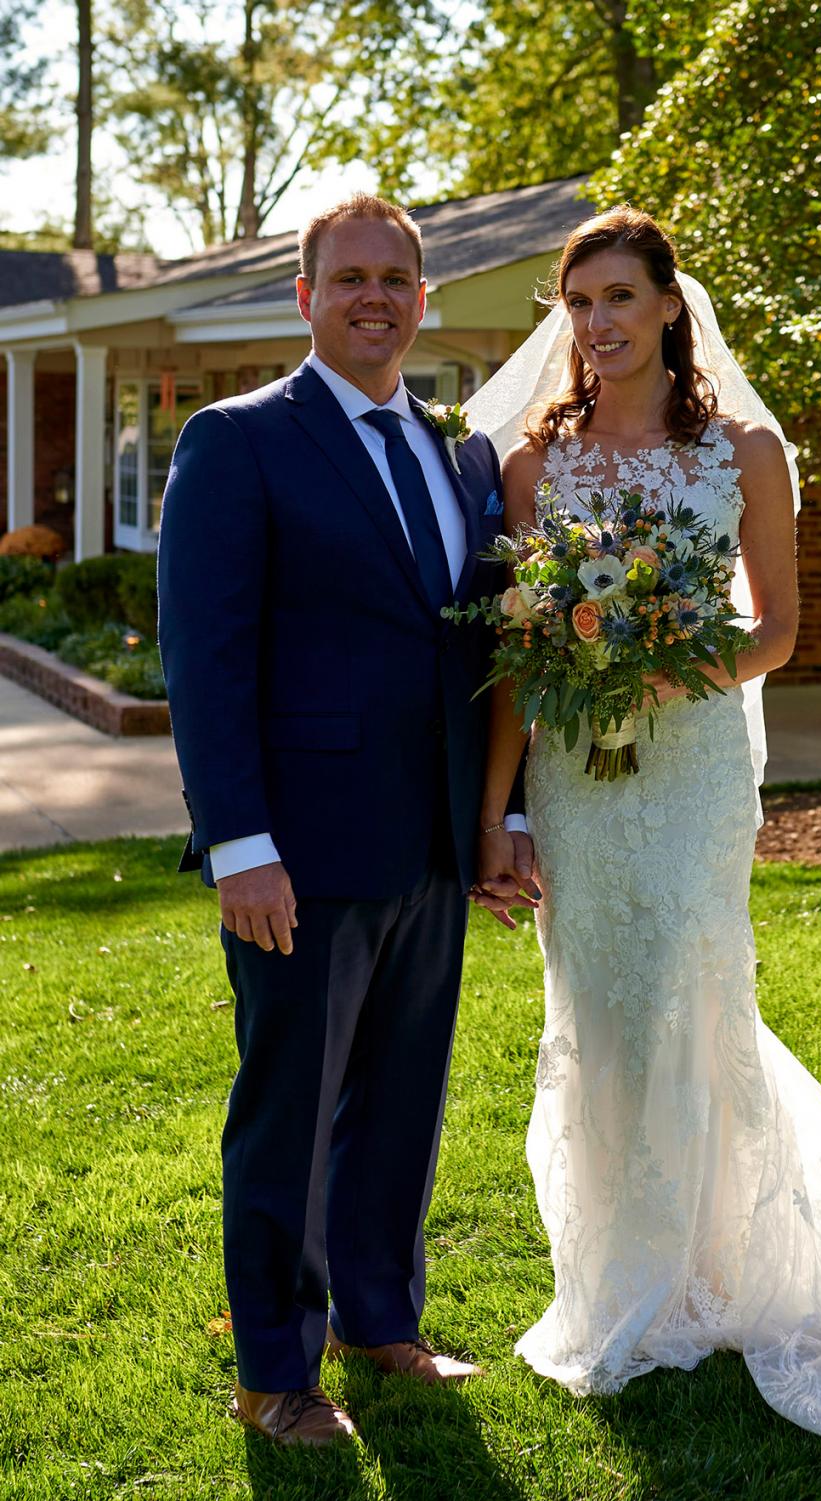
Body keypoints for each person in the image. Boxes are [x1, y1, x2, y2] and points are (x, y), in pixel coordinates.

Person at [471, 206, 821, 1458]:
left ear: (672, 305)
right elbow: (512, 657)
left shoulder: (744, 451)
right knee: (600, 1005)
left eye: (620, 297)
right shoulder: (533, 465)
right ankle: (621, 1278)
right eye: (580, 303)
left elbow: (774, 632)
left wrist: (669, 666)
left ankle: (716, 1274)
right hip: (577, 778)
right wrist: (501, 812)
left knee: (685, 989)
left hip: (697, 764)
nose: (599, 324)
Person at [157, 193, 533, 1448]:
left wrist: (501, 817)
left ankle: (382, 1321)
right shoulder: (239, 438)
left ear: (424, 301)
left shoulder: (462, 451)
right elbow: (205, 659)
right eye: (349, 276)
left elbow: (485, 648)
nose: (375, 295)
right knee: (289, 1105)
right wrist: (241, 844)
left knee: (403, 1097)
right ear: (304, 297)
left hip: (431, 837)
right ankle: (275, 1369)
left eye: (396, 278)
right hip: (300, 850)